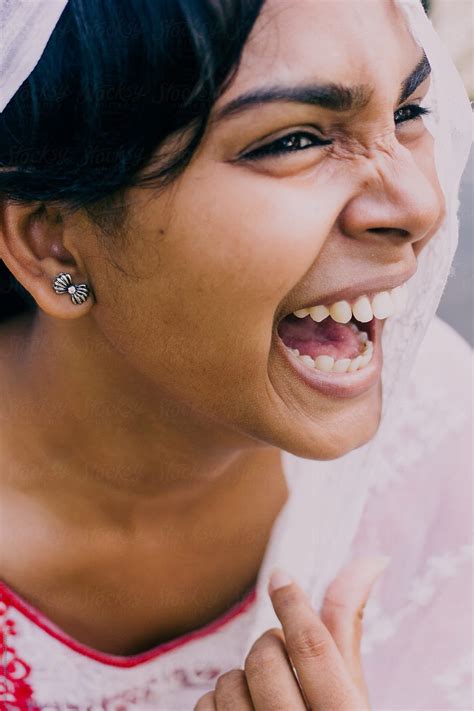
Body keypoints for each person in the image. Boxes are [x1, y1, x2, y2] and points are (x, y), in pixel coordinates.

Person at [0, 0, 471, 708]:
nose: (420, 204)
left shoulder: (439, 423)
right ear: (54, 243)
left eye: (409, 114)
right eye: (295, 140)